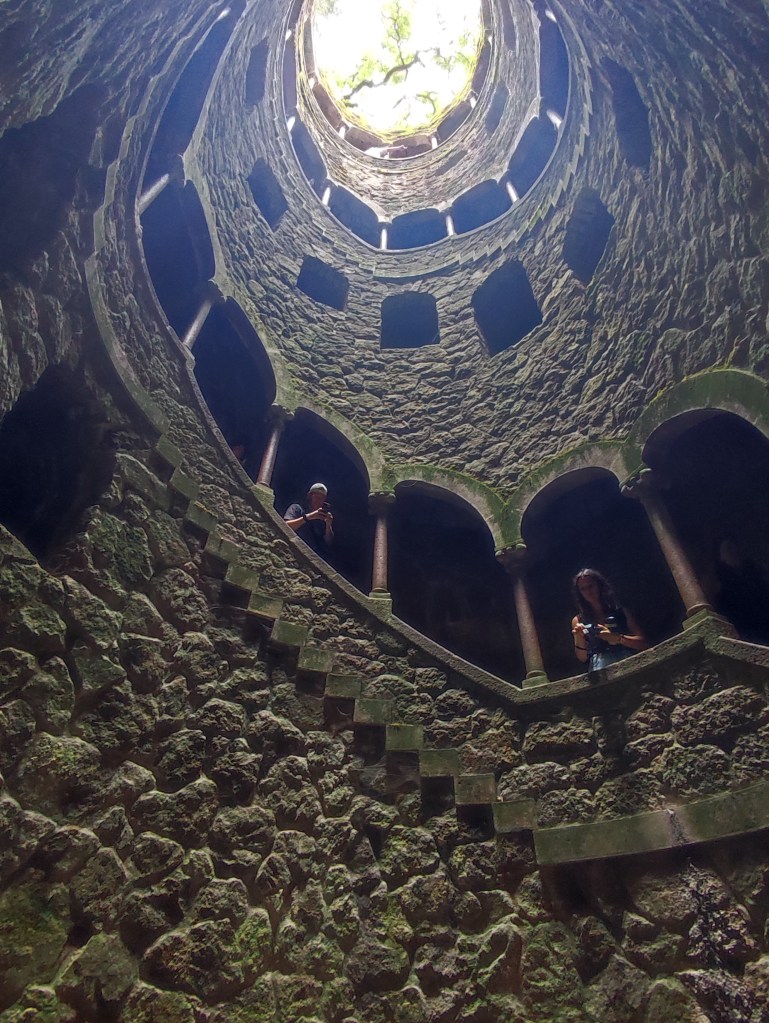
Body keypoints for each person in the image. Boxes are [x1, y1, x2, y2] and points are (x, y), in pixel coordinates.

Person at [571, 568, 646, 671]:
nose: (588, 591)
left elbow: (643, 643)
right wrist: (578, 637)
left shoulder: (620, 611)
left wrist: (618, 639)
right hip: (600, 668)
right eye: (583, 589)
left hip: (628, 663)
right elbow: (583, 658)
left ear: (599, 585)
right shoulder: (579, 620)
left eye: (590, 586)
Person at [284, 483, 334, 554]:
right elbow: (285, 527)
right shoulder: (297, 508)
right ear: (310, 496)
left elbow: (329, 542)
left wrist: (328, 525)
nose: (319, 501)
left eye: (322, 498)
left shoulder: (322, 517)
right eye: (317, 497)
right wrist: (308, 517)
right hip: (294, 550)